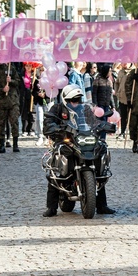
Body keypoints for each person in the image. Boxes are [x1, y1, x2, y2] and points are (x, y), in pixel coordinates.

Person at [42, 85, 115, 217]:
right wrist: (55, 128)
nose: (75, 102)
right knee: (55, 167)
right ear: (65, 99)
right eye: (72, 100)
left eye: (77, 100)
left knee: (100, 156)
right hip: (65, 140)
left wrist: (103, 125)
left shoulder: (86, 109)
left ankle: (102, 205)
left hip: (82, 139)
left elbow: (94, 122)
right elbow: (49, 121)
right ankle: (51, 207)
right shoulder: (57, 108)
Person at [0, 63, 21, 153]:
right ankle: (2, 144)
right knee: (1, 122)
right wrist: (1, 90)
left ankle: (15, 144)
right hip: (1, 101)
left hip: (13, 100)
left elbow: (18, 81)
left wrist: (11, 81)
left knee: (14, 121)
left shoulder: (11, 69)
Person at [114, 63, 131, 140]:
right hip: (121, 97)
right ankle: (123, 132)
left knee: (130, 116)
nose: (125, 63)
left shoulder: (133, 71)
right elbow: (117, 83)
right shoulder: (120, 72)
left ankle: (131, 133)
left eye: (126, 62)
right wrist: (117, 92)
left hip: (130, 98)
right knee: (123, 116)